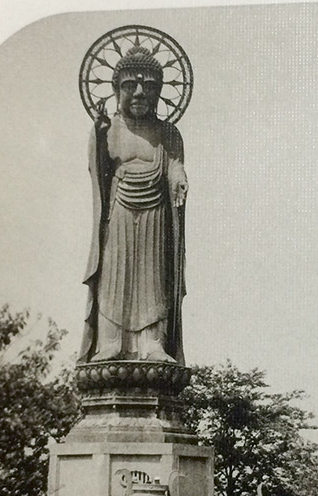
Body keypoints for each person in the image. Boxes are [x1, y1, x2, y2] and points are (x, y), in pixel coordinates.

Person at [79, 46, 189, 364]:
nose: (140, 92)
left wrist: (179, 178)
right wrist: (98, 139)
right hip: (119, 212)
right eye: (130, 85)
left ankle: (153, 343)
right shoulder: (109, 129)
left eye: (149, 86)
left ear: (158, 92)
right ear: (116, 89)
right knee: (113, 276)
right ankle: (110, 342)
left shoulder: (169, 132)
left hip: (156, 213)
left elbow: (175, 165)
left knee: (154, 278)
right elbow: (98, 171)